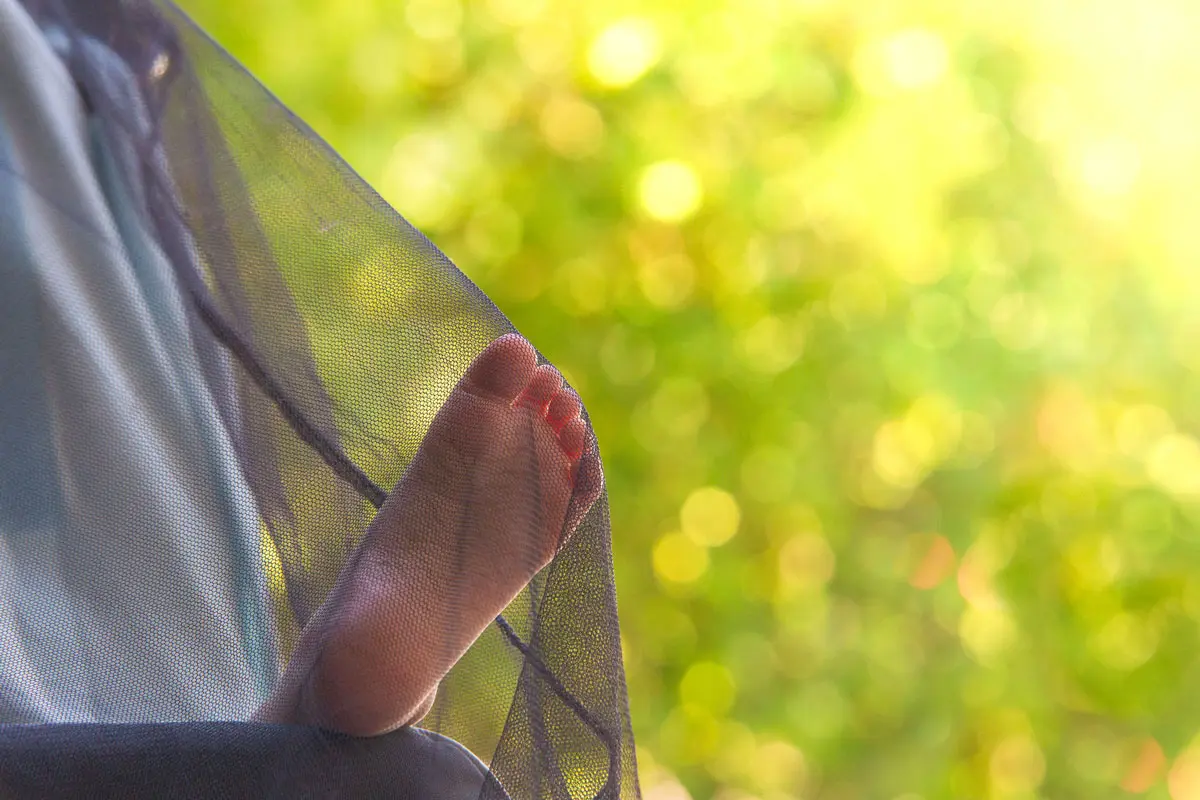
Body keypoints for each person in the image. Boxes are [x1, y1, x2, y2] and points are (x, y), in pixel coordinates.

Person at [0, 0, 600, 748]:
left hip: (42, 144)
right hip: (51, 172)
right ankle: (292, 722)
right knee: (133, 618)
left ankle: (295, 716)